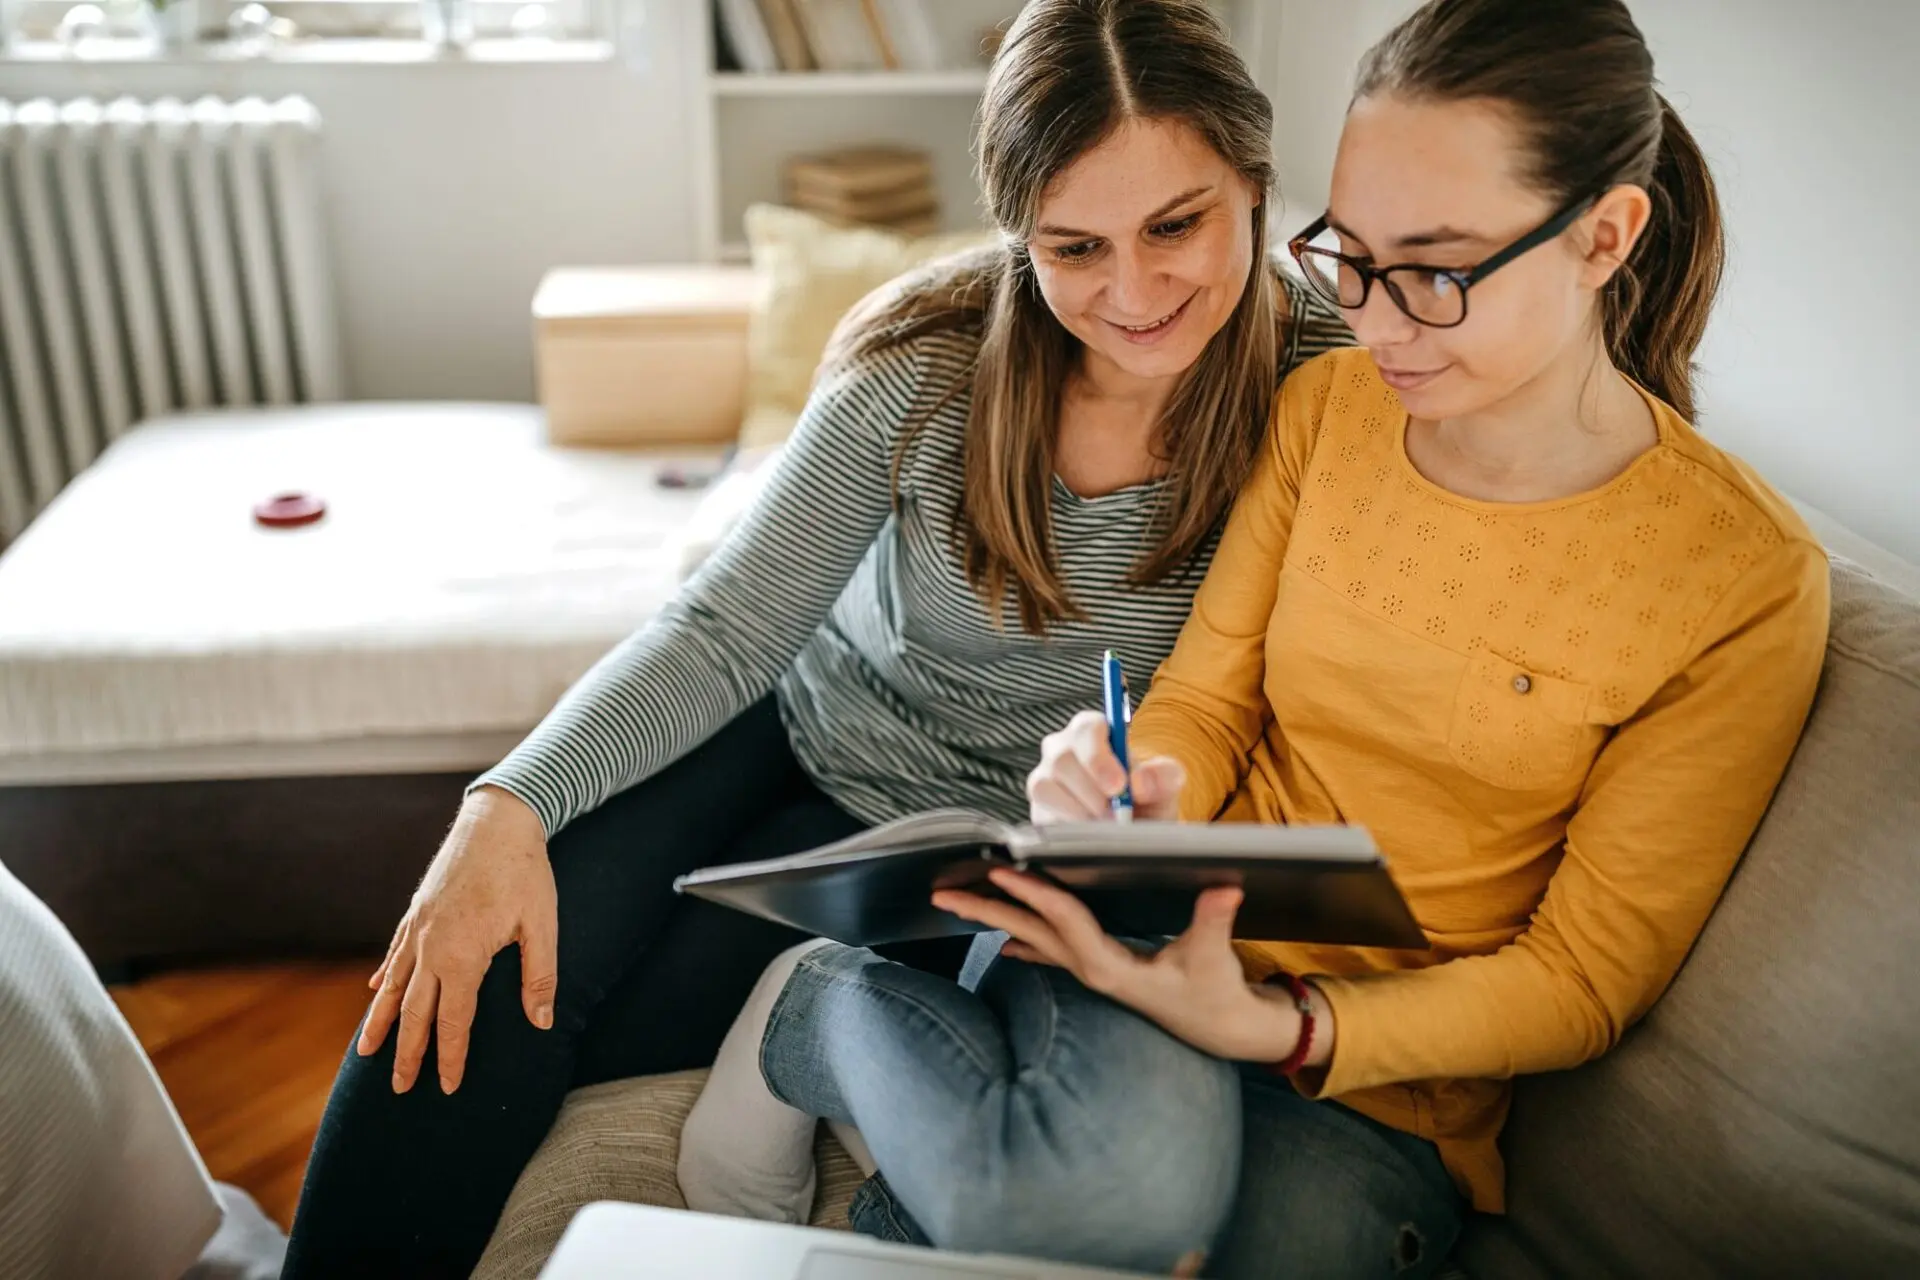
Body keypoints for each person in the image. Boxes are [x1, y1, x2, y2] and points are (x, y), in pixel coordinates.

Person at [680, 0, 1832, 1276]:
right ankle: (825, 1003)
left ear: (1604, 236)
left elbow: (1581, 979)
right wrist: (1144, 784)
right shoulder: (1328, 407)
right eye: (1353, 256)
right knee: (1108, 1216)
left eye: (1434, 271)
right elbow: (1207, 700)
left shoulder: (1741, 579)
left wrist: (1289, 1027)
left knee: (1165, 1241)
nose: (1374, 324)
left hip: (1378, 1082)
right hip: (1146, 940)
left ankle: (941, 1133)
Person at [280, 1, 1348, 1273]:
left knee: (605, 1026)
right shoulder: (925, 357)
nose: (1134, 291)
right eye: (1076, 246)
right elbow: (728, 626)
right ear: (1018, 234)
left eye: (1177, 225)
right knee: (487, 962)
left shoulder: (1335, 385)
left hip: (999, 859)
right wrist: (505, 800)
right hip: (802, 736)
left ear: (1255, 180)